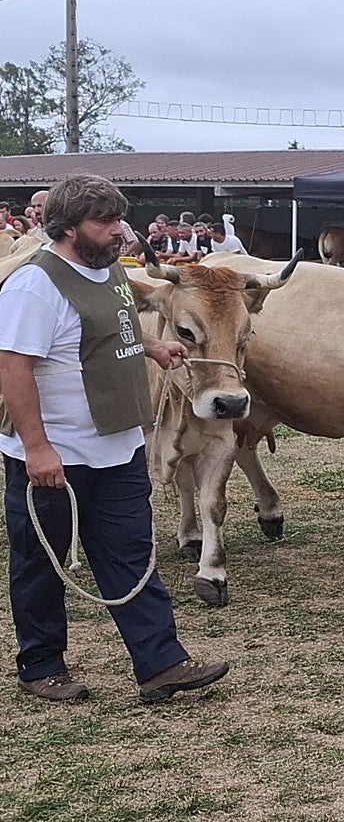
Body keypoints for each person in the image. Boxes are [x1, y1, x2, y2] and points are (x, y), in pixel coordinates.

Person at [0, 173, 229, 703]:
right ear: (68, 227)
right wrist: (37, 448)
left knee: (132, 555)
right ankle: (41, 665)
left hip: (117, 445)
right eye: (104, 222)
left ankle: (160, 664)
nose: (118, 231)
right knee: (42, 561)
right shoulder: (36, 285)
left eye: (119, 218)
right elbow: (14, 368)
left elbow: (109, 327)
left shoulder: (108, 274)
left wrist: (151, 347)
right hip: (57, 452)